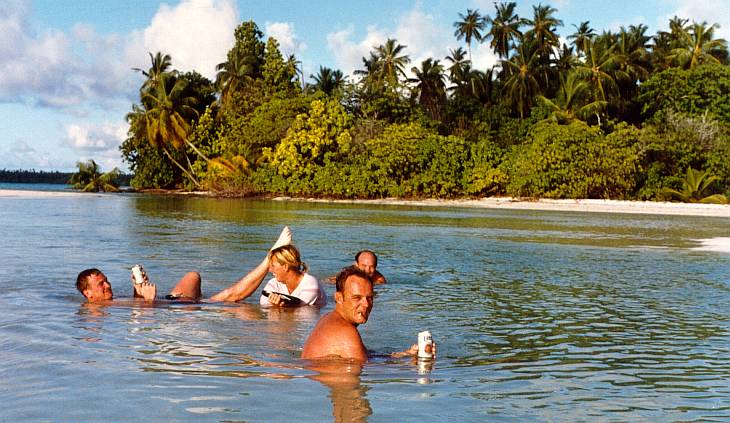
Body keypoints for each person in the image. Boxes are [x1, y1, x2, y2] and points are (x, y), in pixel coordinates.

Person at [75, 227, 323, 307]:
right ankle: (268, 256)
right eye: (101, 284)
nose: (107, 285)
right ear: (88, 294)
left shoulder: (111, 303)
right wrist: (148, 305)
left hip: (170, 302)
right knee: (230, 298)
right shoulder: (97, 313)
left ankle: (269, 256)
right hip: (174, 308)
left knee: (194, 275)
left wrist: (138, 295)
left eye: (105, 279)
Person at [302, 266, 433, 361]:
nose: (366, 304)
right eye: (357, 298)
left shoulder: (330, 318)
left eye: (369, 298)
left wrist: (405, 354)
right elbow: (366, 372)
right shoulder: (345, 332)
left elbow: (365, 356)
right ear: (339, 298)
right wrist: (416, 365)